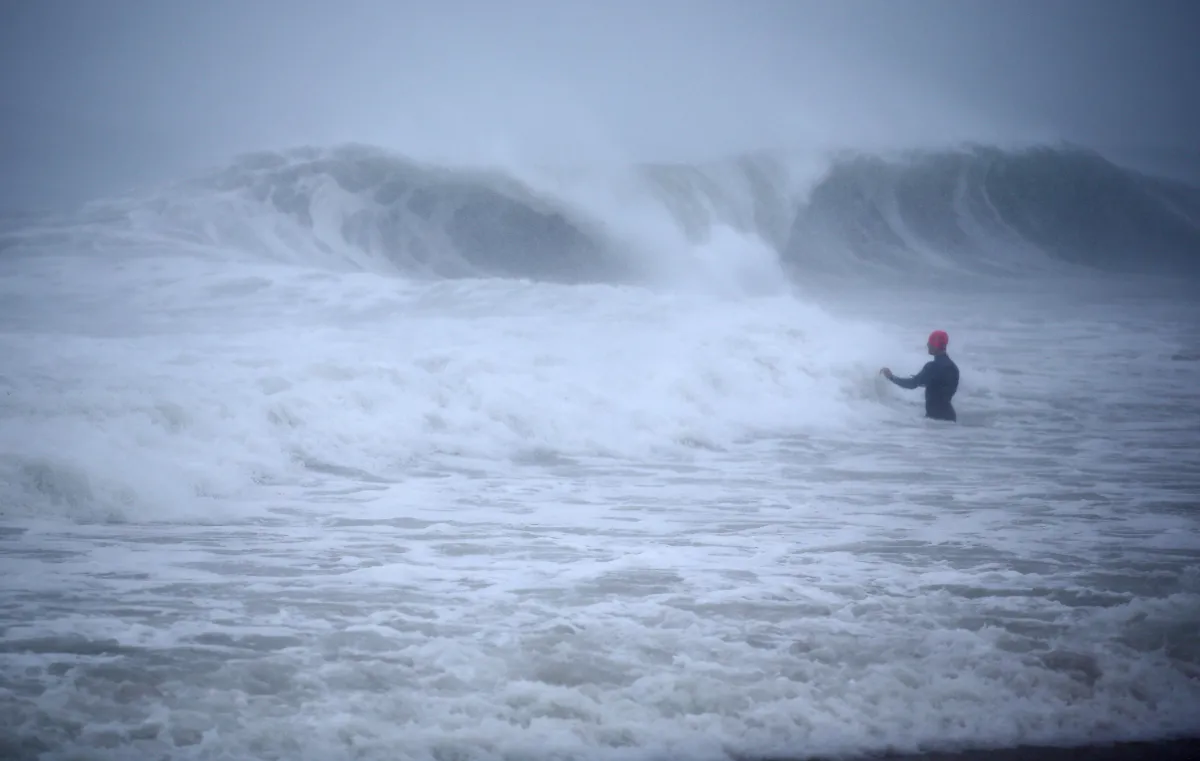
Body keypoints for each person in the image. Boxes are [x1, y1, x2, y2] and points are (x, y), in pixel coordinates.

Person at [880, 329, 959, 422]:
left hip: (936, 421)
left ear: (936, 345)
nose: (927, 344)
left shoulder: (932, 367)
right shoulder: (953, 368)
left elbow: (912, 384)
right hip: (950, 420)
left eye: (930, 342)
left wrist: (891, 377)